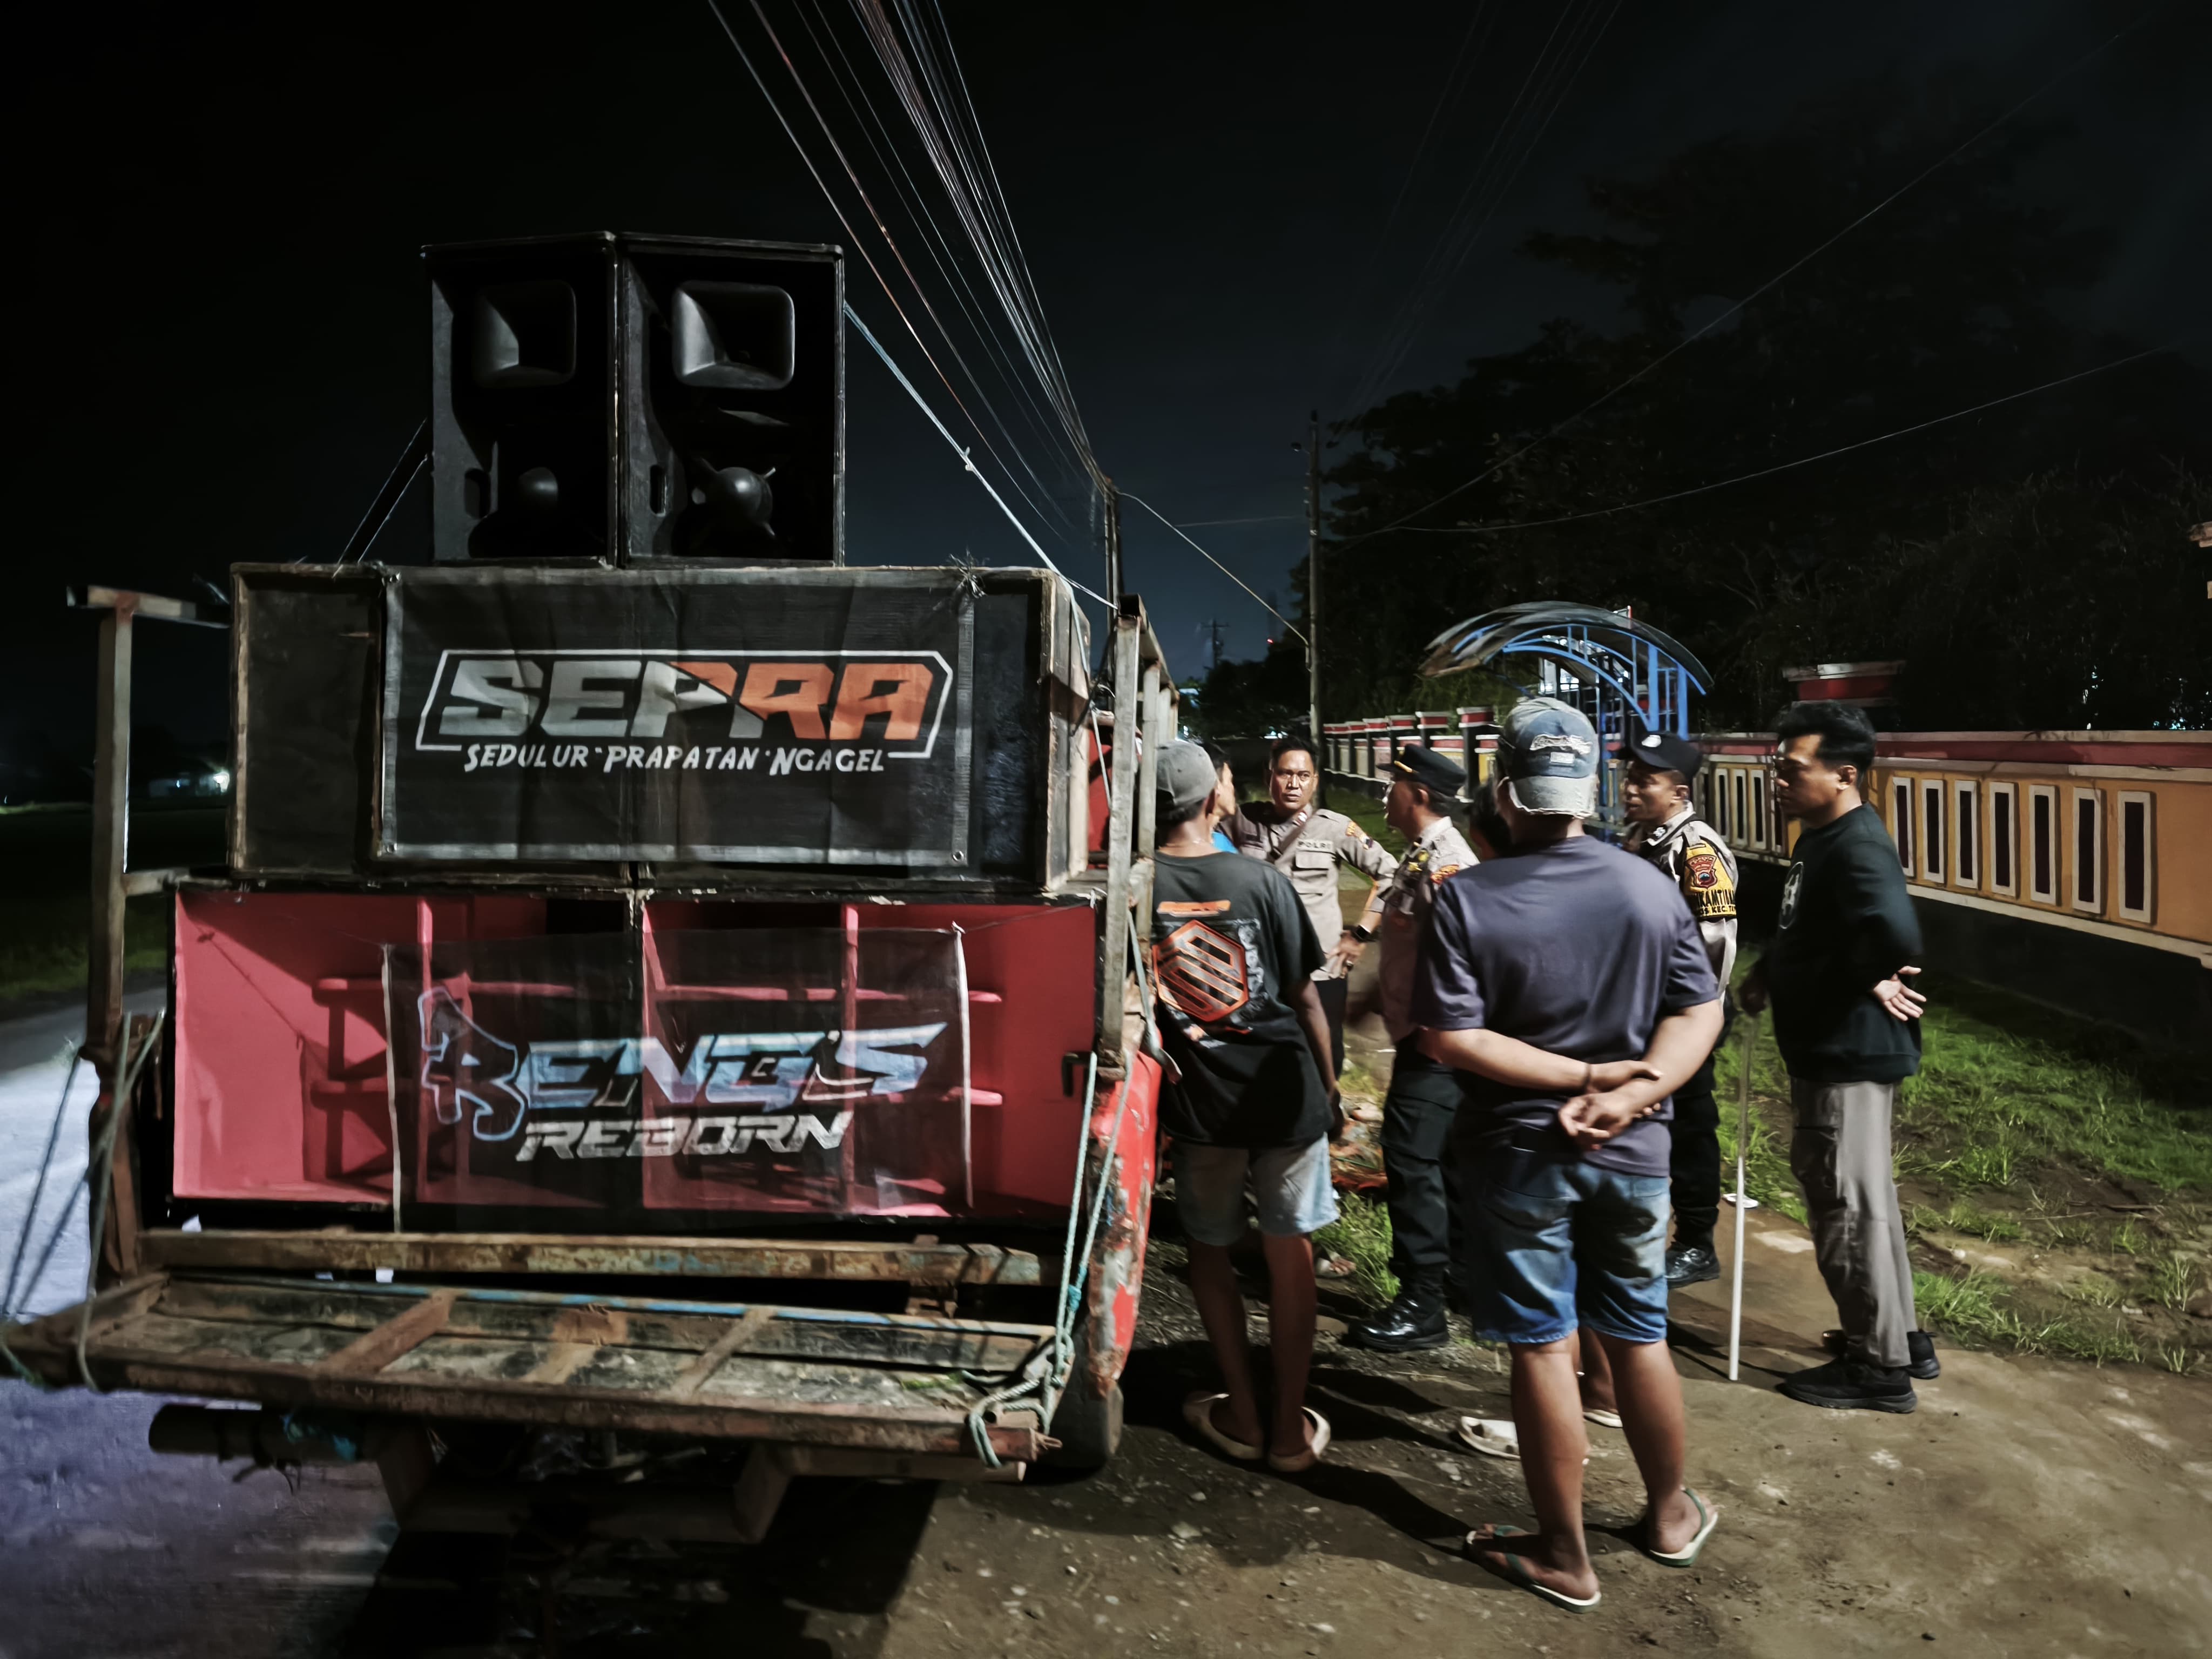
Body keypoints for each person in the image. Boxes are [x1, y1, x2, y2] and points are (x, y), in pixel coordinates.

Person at [1413, 697, 1724, 1613]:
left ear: (1504, 791)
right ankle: (1668, 1516)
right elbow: (1699, 1007)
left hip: (1518, 1156)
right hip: (1636, 1152)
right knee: (1638, 1332)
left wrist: (1578, 1078)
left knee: (1544, 1347)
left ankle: (1564, 1554)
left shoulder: (1467, 898)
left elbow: (1450, 1039)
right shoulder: (1648, 887)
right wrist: (1635, 1090)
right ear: (1589, 789)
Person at [1150, 739, 1341, 1472]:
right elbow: (1306, 1001)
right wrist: (1328, 1090)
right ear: (1209, 801)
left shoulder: (1133, 886)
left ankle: (1242, 1411)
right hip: (1285, 1090)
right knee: (1290, 1250)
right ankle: (1290, 1429)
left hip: (1203, 1100)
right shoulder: (1258, 880)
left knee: (1209, 1250)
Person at [1740, 701, 1936, 1413]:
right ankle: (1900, 1335)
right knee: (1867, 1199)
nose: (1778, 782)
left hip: (1846, 1052)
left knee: (1844, 1205)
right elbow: (1811, 930)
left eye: (1793, 770)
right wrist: (1769, 972)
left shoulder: (1855, 845)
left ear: (1844, 775)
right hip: (1833, 1047)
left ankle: (1877, 1368)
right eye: (1778, 768)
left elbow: (1892, 930)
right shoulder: (1819, 839)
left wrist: (1870, 975)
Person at [1344, 744, 1481, 1353]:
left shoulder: (1449, 866)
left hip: (1437, 1046)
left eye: (1394, 786)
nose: (1385, 795)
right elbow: (1412, 953)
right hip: (1421, 1037)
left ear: (1419, 794)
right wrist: (1370, 1001)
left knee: (1411, 1160)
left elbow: (1468, 964)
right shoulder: (1421, 857)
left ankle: (1422, 1302)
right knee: (1440, 1163)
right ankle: (1459, 1281)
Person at [1618, 726, 1739, 1288]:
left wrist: (1697, 1022)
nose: (1630, 787)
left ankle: (1695, 1242)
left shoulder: (1695, 851)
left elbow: (1715, 942)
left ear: (1680, 791)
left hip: (1685, 1014)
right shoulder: (1641, 839)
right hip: (1645, 1012)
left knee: (1690, 1125)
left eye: (1645, 780)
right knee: (1652, 1122)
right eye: (1630, 776)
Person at [1225, 736, 1397, 1078]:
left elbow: (1391, 874)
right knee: (1265, 1051)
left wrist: (1360, 934)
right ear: (1268, 776)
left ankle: (1329, 1115)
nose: (1294, 784)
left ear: (1315, 781)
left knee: (1323, 1052)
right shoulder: (1242, 821)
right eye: (1285, 774)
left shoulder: (1333, 828)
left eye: (1303, 776)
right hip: (1259, 969)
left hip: (1320, 970)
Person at [1201, 740, 1239, 853]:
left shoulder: (1221, 841)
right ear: (1215, 787)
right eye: (1230, 781)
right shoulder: (1202, 849)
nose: (1233, 788)